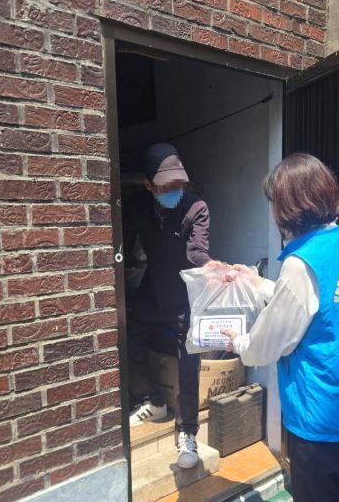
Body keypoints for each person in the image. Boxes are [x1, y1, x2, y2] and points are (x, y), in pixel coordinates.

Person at [221, 153, 339, 502]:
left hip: (323, 421)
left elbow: (267, 344)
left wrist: (239, 343)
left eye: (274, 203)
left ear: (288, 207)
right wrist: (257, 282)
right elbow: (311, 306)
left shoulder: (299, 265)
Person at [123, 143, 220, 469]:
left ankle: (187, 432)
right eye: (165, 186)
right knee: (130, 341)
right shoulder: (136, 206)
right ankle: (153, 401)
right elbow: (125, 243)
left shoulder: (195, 208)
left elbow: (197, 252)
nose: (173, 191)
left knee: (188, 365)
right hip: (152, 291)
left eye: (178, 184)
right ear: (148, 185)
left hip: (183, 297)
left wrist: (214, 268)